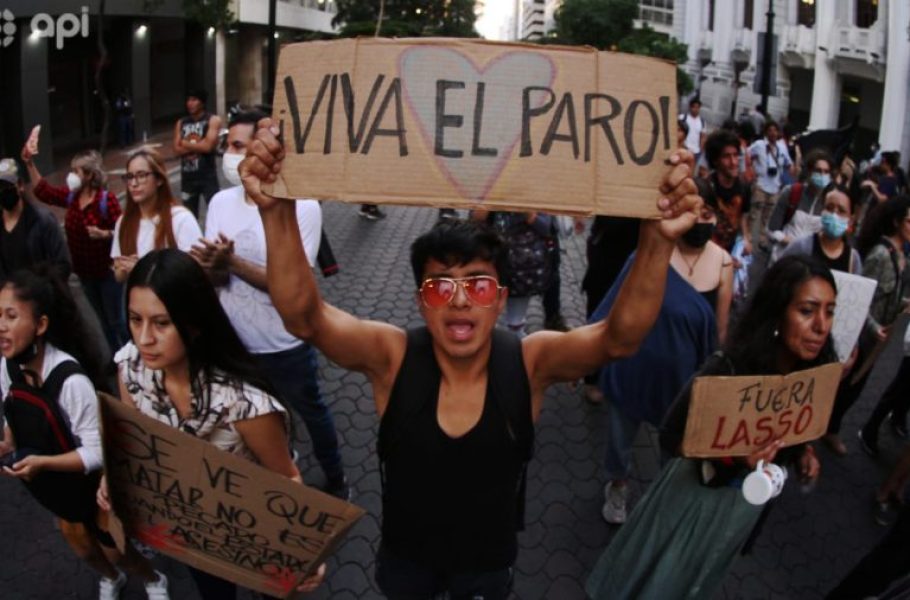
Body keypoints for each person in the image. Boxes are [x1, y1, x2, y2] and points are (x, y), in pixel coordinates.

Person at [240, 117, 700, 599]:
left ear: (501, 299)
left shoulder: (530, 362)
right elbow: (305, 318)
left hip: (486, 564)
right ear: (421, 300)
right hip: (405, 559)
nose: (460, 302)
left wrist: (657, 240)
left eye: (478, 285)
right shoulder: (391, 358)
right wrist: (276, 212)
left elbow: (618, 340)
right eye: (441, 287)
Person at [587, 255, 834, 599]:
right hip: (692, 505)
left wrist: (803, 452)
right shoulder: (728, 368)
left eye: (829, 311)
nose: (821, 326)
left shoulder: (809, 381)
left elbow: (789, 432)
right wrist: (733, 459)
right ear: (778, 313)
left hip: (740, 515)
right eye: (807, 311)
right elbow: (672, 434)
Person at [97, 249, 325, 599]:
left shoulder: (245, 404)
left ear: (194, 323)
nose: (144, 339)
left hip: (252, 534)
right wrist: (111, 477)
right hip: (189, 532)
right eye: (135, 319)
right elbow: (131, 437)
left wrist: (303, 551)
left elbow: (287, 479)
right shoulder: (130, 367)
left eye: (161, 323)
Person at [191, 109, 349, 499]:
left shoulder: (303, 206)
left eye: (241, 146)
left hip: (285, 346)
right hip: (236, 345)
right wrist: (210, 267)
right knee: (258, 420)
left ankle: (336, 479)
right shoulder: (220, 203)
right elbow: (217, 279)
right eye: (230, 146)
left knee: (311, 413)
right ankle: (281, 474)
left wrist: (232, 261)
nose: (232, 154)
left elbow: (293, 288)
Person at [0, 266, 167, 600]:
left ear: (41, 325)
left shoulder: (71, 381)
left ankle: (153, 579)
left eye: (11, 315)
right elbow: (11, 413)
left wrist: (43, 463)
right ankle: (111, 578)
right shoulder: (5, 366)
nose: (1, 325)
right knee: (81, 547)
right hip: (53, 483)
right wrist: (7, 442)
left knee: (114, 548)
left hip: (96, 482)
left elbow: (96, 452)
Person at [594, 179, 728, 525]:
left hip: (682, 382)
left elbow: (719, 332)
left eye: (707, 211)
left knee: (675, 447)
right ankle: (618, 485)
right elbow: (615, 306)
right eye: (692, 210)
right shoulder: (650, 251)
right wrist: (588, 360)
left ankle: (663, 501)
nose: (699, 219)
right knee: (621, 438)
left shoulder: (724, 264)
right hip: (632, 371)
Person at [826, 196, 910, 455]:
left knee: (855, 384)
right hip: (861, 334)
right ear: (897, 222)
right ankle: (826, 429)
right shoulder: (880, 255)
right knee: (846, 382)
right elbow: (859, 298)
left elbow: (890, 296)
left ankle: (829, 426)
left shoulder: (900, 256)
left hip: (878, 336)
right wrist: (873, 327)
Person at [21, 146, 126, 351]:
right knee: (103, 319)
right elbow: (44, 192)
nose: (71, 176)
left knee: (117, 320)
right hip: (85, 274)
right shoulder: (72, 197)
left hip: (107, 273)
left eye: (76, 171)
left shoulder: (107, 200)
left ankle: (132, 357)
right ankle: (116, 357)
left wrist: (105, 234)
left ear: (88, 175)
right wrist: (30, 164)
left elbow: (124, 232)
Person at [111, 149, 202, 282]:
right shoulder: (123, 222)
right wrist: (123, 269)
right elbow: (119, 277)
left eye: (141, 175)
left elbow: (195, 272)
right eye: (129, 177)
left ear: (159, 179)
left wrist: (143, 269)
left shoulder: (180, 219)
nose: (134, 184)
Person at [579, 216, 640, 404]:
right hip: (607, 262)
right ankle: (592, 377)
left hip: (635, 262)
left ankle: (617, 374)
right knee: (598, 320)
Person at [477, 210, 555, 337]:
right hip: (492, 266)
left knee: (515, 324)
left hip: (523, 271)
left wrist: (529, 214)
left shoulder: (537, 195)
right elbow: (474, 221)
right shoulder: (491, 192)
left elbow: (546, 228)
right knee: (486, 320)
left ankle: (516, 351)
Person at [0, 158, 71, 279]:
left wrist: (36, 289)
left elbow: (63, 265)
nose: (2, 191)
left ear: (20, 185)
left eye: (7, 186)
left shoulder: (42, 221)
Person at [766, 150, 836, 264]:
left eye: (826, 172)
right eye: (818, 171)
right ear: (809, 172)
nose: (822, 175)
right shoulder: (792, 192)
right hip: (782, 259)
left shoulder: (829, 203)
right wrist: (790, 242)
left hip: (807, 266)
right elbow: (771, 230)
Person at [780, 183, 862, 276]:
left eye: (841, 211)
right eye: (829, 208)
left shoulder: (853, 259)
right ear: (822, 211)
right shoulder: (801, 246)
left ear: (850, 220)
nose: (834, 215)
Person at [173, 89, 221, 219]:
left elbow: (208, 147)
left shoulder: (213, 120)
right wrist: (199, 145)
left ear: (202, 102)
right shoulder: (181, 122)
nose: (190, 103)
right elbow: (176, 150)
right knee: (189, 216)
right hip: (188, 177)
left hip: (208, 177)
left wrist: (184, 143)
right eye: (188, 100)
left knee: (215, 213)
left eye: (194, 100)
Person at [749, 121, 794, 248]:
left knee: (767, 216)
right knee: (754, 213)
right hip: (761, 185)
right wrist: (752, 170)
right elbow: (748, 155)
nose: (773, 133)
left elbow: (788, 163)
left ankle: (762, 240)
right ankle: (749, 238)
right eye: (770, 130)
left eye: (775, 130)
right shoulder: (759, 145)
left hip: (775, 187)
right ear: (766, 132)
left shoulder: (781, 147)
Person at [680, 98, 706, 165]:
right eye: (694, 107)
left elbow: (703, 137)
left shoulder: (702, 121)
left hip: (696, 152)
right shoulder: (682, 118)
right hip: (684, 149)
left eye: (698, 107)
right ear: (690, 107)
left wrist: (700, 150)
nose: (696, 109)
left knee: (690, 173)